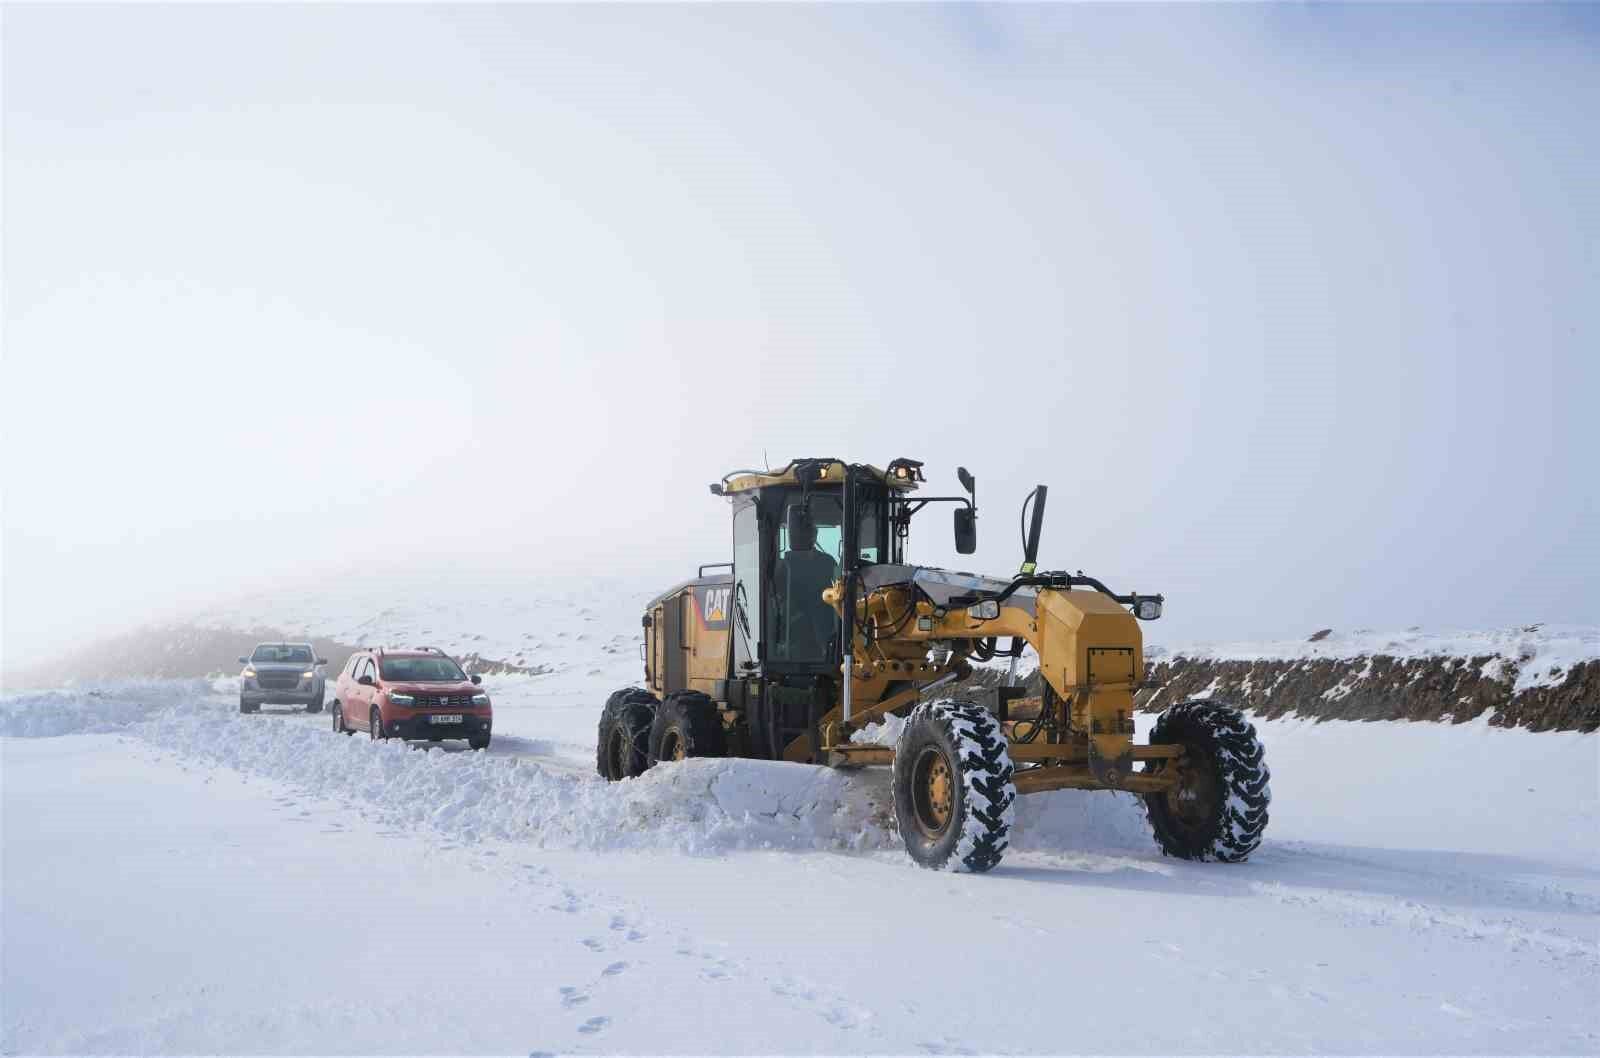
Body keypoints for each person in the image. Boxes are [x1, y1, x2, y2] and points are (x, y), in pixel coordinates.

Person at [775, 509, 839, 659]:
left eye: (807, 532)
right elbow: (777, 600)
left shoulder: (827, 563)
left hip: (825, 634)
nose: (802, 536)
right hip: (793, 634)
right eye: (800, 532)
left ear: (814, 535)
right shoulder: (784, 567)